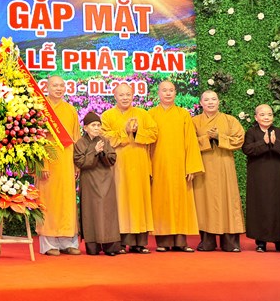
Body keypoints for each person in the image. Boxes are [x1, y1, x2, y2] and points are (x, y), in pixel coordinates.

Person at [101, 83, 158, 254]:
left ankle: (139, 243)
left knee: (139, 202)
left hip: (139, 165)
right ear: (115, 96)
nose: (125, 98)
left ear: (133, 95)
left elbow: (154, 134)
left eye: (128, 94)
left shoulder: (143, 114)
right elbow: (103, 137)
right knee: (120, 202)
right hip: (118, 166)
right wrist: (124, 131)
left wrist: (138, 131)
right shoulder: (107, 116)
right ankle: (118, 242)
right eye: (121, 95)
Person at [148, 81, 204, 252]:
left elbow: (191, 142)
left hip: (180, 166)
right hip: (159, 165)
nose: (168, 93)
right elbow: (146, 144)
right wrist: (148, 168)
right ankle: (163, 242)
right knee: (161, 202)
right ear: (158, 93)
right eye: (164, 90)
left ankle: (181, 242)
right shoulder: (150, 114)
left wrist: (191, 167)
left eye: (171, 90)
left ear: (175, 93)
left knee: (181, 202)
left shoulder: (183, 114)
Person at [192, 90, 245, 252]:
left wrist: (219, 137)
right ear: (201, 103)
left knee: (228, 199)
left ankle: (230, 242)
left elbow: (239, 139)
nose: (210, 102)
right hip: (204, 167)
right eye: (207, 100)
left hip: (224, 166)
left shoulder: (230, 120)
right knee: (205, 202)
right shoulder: (194, 121)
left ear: (218, 101)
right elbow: (188, 142)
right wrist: (207, 138)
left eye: (213, 99)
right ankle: (207, 241)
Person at [36, 75, 81, 256]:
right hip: (48, 163)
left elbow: (76, 139)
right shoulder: (39, 109)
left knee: (67, 203)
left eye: (62, 85)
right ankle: (49, 244)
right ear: (46, 87)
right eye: (55, 85)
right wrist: (41, 165)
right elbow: (35, 141)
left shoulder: (70, 110)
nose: (59, 88)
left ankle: (68, 242)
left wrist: (77, 165)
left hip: (66, 163)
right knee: (48, 203)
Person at [242, 104, 280, 253]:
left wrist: (275, 142)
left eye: (269, 114)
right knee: (261, 205)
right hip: (259, 177)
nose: (266, 117)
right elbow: (247, 149)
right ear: (256, 117)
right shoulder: (251, 132)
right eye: (263, 114)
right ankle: (261, 242)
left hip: (279, 177)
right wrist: (263, 143)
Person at [73, 112, 121, 256]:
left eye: (98, 125)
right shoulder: (80, 143)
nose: (96, 128)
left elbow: (112, 158)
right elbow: (80, 162)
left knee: (108, 211)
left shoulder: (105, 141)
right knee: (91, 212)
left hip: (106, 180)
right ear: (85, 128)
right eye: (93, 125)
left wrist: (102, 152)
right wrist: (94, 151)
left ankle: (110, 246)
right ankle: (93, 246)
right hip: (89, 181)